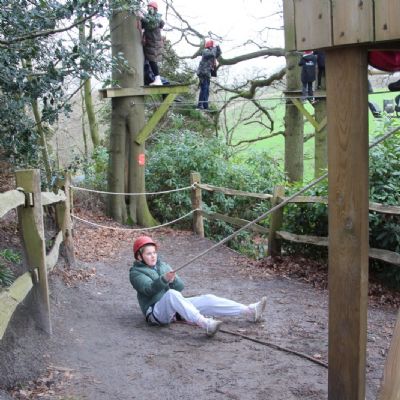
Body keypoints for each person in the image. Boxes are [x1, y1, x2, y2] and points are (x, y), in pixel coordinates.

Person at [129, 236, 267, 337]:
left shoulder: (163, 265)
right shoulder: (135, 273)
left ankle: (249, 311)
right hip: (155, 313)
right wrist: (164, 279)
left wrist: (174, 280)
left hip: (174, 308)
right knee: (171, 295)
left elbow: (180, 287)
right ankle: (205, 324)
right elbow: (148, 290)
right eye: (149, 254)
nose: (153, 256)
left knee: (208, 298)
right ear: (139, 257)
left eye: (154, 252)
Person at [140, 1, 164, 86]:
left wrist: (141, 17)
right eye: (148, 8)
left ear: (155, 9)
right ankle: (155, 79)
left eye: (150, 8)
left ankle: (158, 79)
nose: (148, 9)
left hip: (154, 43)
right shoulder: (151, 18)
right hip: (151, 42)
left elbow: (151, 24)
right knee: (150, 62)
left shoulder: (156, 18)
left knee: (152, 61)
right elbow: (144, 25)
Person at [196, 39, 222, 110]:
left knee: (206, 90)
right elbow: (213, 54)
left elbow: (218, 53)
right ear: (210, 47)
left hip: (207, 74)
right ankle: (199, 105)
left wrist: (217, 47)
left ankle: (205, 106)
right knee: (204, 89)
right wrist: (214, 48)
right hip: (203, 73)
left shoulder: (211, 52)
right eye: (212, 47)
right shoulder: (205, 51)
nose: (213, 49)